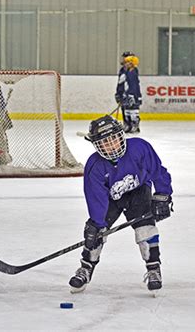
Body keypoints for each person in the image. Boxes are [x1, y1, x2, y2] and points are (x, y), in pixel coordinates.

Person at [69, 115, 173, 294]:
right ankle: (86, 268)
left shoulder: (140, 148)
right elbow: (96, 196)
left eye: (113, 139)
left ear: (121, 136)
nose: (111, 146)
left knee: (146, 230)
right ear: (96, 145)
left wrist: (163, 194)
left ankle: (154, 269)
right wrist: (96, 223)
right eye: (104, 143)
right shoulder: (95, 165)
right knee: (96, 232)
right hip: (111, 199)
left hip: (139, 192)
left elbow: (158, 170)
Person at [115, 52, 142, 133]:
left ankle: (134, 125)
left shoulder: (133, 71)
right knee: (125, 109)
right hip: (124, 94)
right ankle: (127, 124)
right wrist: (118, 93)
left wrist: (132, 95)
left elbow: (133, 85)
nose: (125, 61)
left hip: (132, 94)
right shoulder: (123, 70)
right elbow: (120, 83)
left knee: (133, 109)